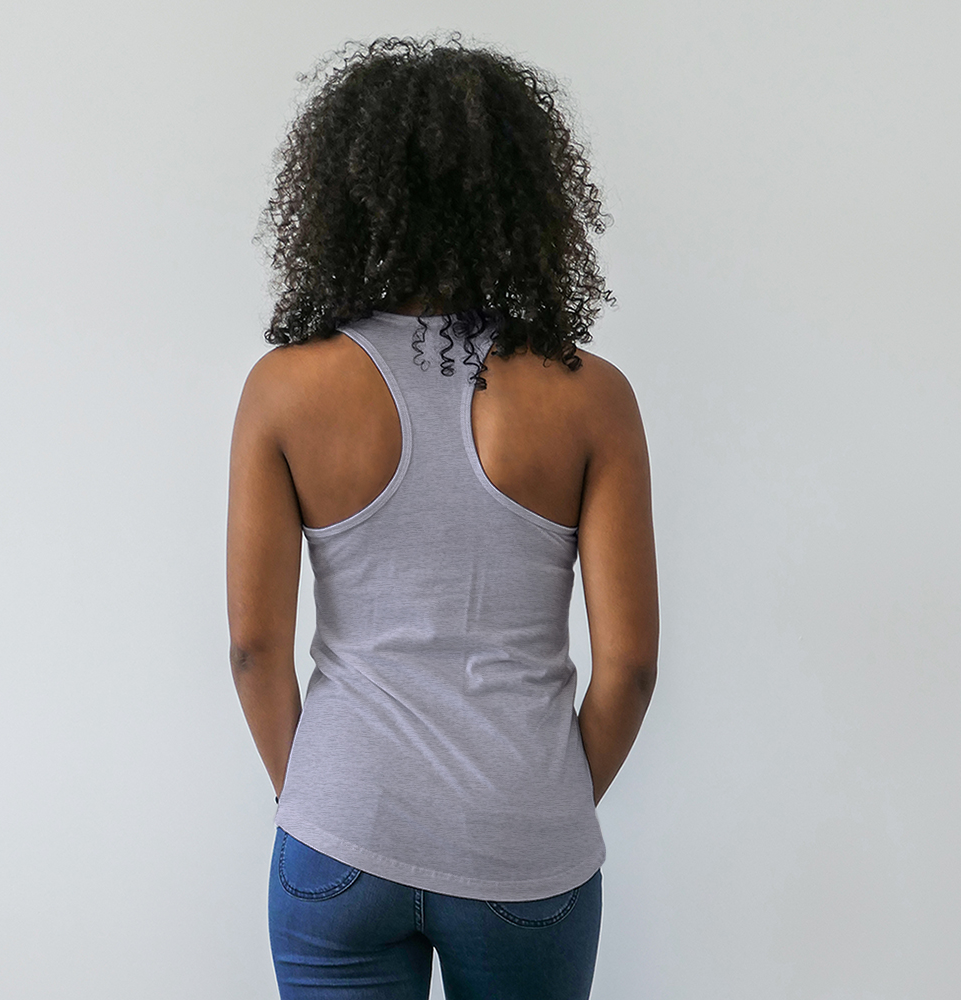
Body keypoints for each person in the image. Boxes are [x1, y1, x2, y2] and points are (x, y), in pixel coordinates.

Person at [227, 35, 658, 1000]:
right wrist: (534, 807)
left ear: (344, 193)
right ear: (523, 200)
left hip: (342, 826)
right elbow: (628, 667)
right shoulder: (592, 398)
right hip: (523, 833)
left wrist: (321, 802)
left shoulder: (285, 391)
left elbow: (255, 649)